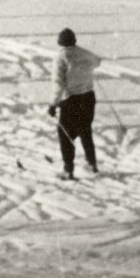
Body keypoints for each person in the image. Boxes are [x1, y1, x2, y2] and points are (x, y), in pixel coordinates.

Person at [49, 28, 100, 179]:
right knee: (85, 131)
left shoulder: (60, 58)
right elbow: (97, 61)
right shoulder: (84, 53)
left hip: (71, 99)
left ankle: (68, 170)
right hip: (88, 97)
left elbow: (58, 83)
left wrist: (53, 103)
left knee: (65, 135)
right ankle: (92, 164)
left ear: (60, 42)